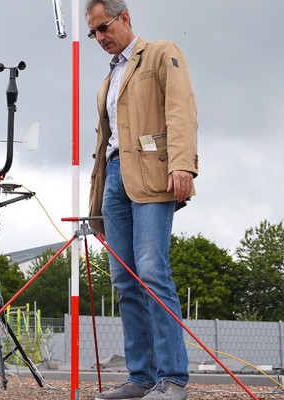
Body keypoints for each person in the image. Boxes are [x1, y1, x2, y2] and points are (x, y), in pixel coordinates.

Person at [85, 1, 198, 399]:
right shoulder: (109, 77)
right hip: (113, 179)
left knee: (152, 270)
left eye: (104, 27)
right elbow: (105, 142)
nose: (100, 37)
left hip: (153, 174)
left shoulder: (161, 52)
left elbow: (181, 110)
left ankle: (172, 378)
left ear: (125, 18)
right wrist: (95, 204)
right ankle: (142, 378)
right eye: (94, 32)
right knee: (124, 280)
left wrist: (183, 163)